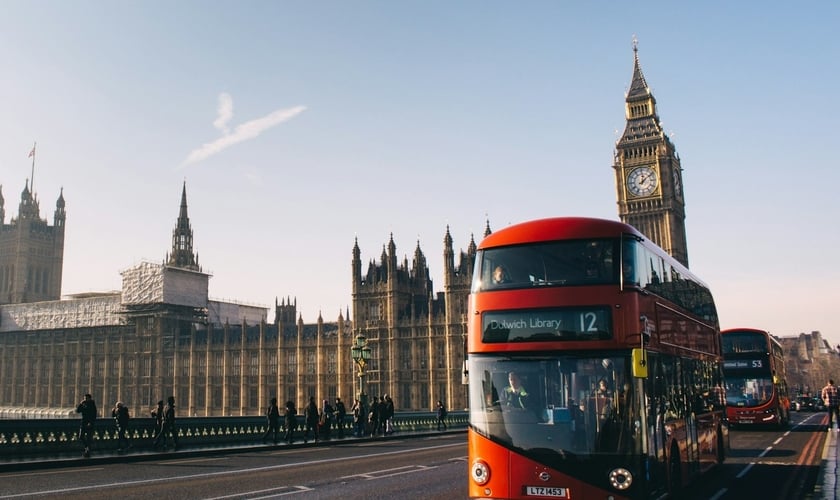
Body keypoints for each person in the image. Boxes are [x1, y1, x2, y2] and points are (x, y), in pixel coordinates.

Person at [76, 393, 97, 458]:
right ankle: (86, 447)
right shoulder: (84, 404)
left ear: (89, 398)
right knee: (81, 436)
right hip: (83, 422)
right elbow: (78, 411)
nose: (85, 399)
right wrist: (80, 404)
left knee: (89, 438)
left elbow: (94, 415)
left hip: (89, 423)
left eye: (86, 398)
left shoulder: (92, 405)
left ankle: (88, 451)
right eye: (84, 398)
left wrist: (90, 423)